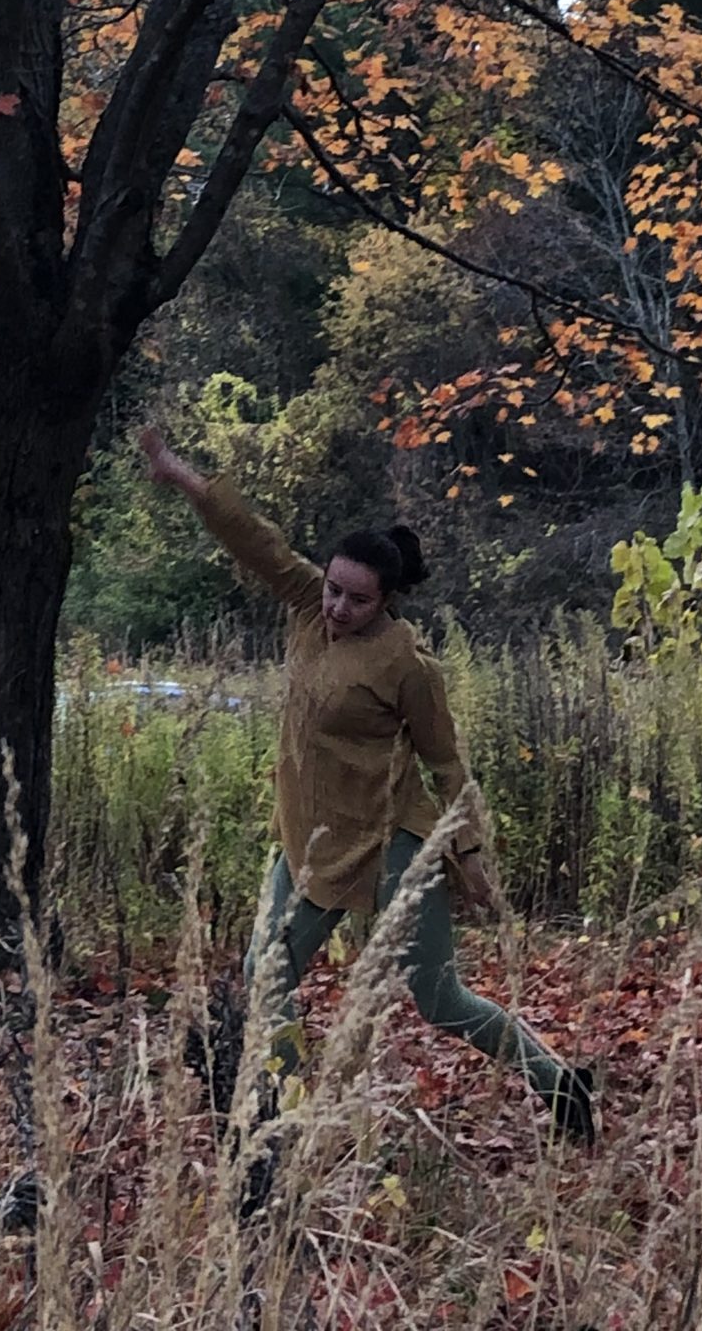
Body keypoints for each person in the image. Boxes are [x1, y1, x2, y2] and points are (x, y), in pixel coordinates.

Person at [139, 427, 594, 1145]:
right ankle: (284, 1122)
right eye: (333, 589)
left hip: (390, 845)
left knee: (440, 999)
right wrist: (184, 476)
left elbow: (447, 763)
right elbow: (256, 540)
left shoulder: (408, 664)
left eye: (357, 599)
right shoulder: (305, 606)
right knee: (266, 977)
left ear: (385, 601)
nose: (337, 608)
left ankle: (559, 1082)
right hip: (309, 841)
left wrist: (471, 852)